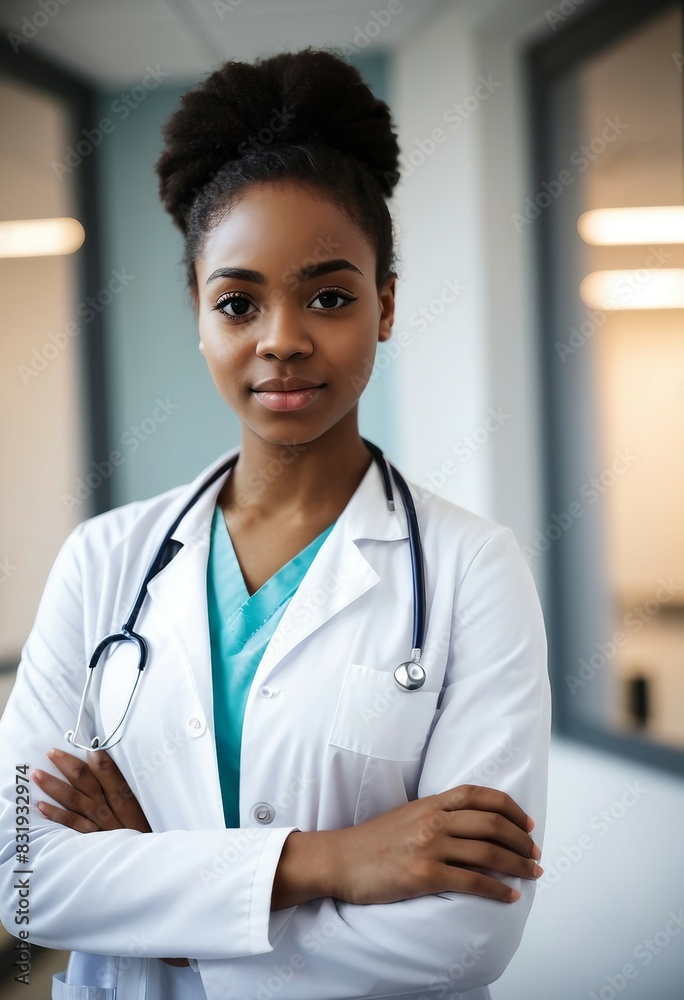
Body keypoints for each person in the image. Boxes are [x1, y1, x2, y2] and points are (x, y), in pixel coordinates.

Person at [0, 46, 551, 1000]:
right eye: (239, 301)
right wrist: (328, 862)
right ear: (200, 316)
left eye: (330, 297)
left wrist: (158, 902)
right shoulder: (104, 562)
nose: (283, 338)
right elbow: (20, 875)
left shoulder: (472, 569)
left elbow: (468, 934)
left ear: (383, 306)